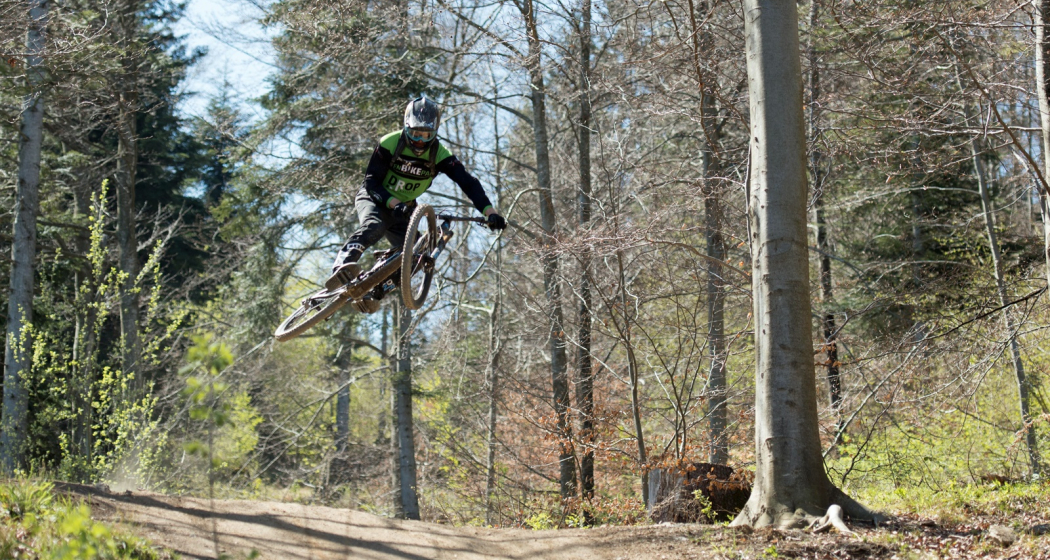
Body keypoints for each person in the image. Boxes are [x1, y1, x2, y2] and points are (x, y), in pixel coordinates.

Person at [326, 95, 506, 294]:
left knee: (417, 257)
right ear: (406, 127)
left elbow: (469, 184)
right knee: (374, 226)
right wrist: (394, 203)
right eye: (415, 134)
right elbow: (370, 182)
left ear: (435, 133)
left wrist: (490, 212)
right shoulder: (390, 143)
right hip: (375, 198)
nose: (420, 141)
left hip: (404, 208)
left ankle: (376, 291)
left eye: (427, 136)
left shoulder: (440, 154)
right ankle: (342, 266)